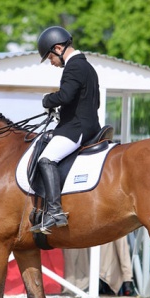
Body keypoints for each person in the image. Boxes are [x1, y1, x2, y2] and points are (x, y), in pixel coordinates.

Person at [30, 26, 101, 234]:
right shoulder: (85, 66)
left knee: (46, 159)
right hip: (84, 123)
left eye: (50, 57)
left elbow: (66, 96)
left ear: (58, 48)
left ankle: (54, 211)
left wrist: (47, 100)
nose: (52, 63)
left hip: (78, 128)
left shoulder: (75, 66)